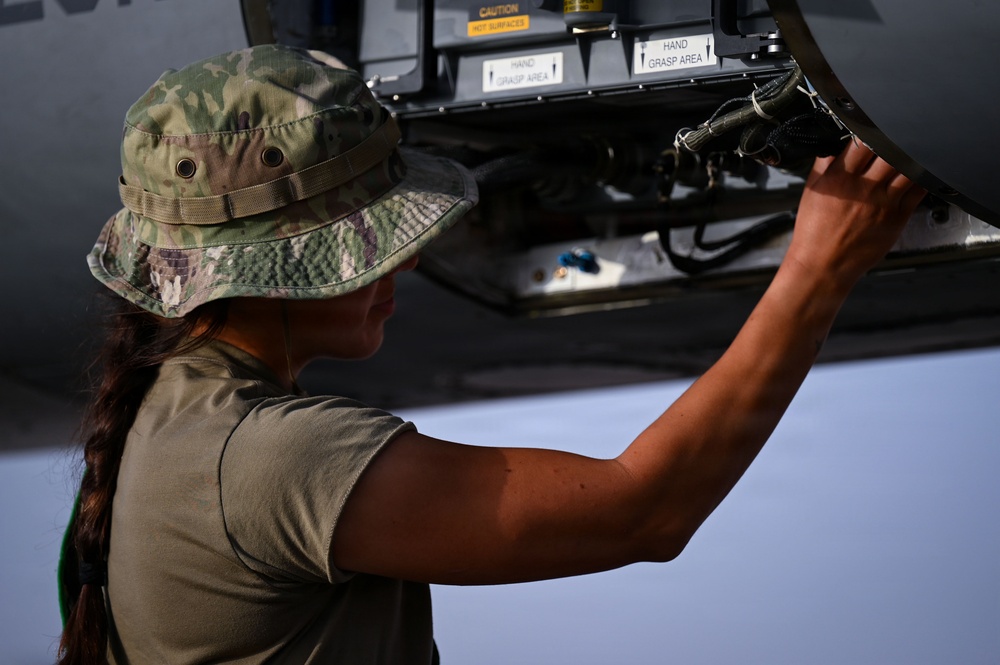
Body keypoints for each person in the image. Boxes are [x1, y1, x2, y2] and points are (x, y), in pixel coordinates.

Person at [58, 44, 925, 664]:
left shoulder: (167, 417)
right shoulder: (269, 456)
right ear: (268, 271)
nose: (407, 261)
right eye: (371, 240)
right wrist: (819, 265)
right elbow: (642, 510)